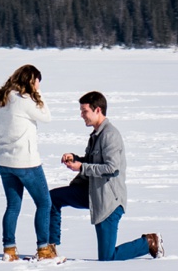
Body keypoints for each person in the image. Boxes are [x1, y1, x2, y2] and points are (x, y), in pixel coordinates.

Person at [49, 91, 164, 261]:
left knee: (107, 258)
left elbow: (112, 168)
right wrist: (76, 159)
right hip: (92, 193)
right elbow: (92, 161)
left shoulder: (110, 135)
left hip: (108, 201)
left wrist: (82, 166)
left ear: (98, 110)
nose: (81, 115)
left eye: (84, 111)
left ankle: (148, 243)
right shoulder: (97, 135)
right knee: (52, 198)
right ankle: (49, 249)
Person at [0, 64, 57, 262]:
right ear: (32, 80)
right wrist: (38, 93)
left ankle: (9, 250)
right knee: (45, 203)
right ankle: (44, 249)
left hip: (4, 161)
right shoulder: (24, 100)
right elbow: (47, 117)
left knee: (13, 206)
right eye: (37, 82)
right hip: (25, 162)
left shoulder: (1, 98)